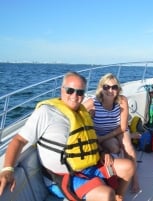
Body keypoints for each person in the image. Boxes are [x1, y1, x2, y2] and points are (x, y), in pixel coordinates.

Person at [0, 72, 134, 201]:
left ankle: (118, 197)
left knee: (128, 167)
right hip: (62, 178)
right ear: (61, 89)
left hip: (89, 166)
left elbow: (88, 140)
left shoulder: (82, 112)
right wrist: (7, 169)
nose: (75, 96)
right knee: (106, 194)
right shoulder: (46, 113)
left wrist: (103, 152)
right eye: (70, 90)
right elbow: (19, 140)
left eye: (80, 92)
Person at [83, 73, 140, 194]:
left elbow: (123, 127)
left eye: (114, 87)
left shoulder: (122, 101)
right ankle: (118, 169)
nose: (110, 90)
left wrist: (103, 138)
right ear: (100, 88)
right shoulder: (92, 103)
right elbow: (76, 114)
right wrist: (88, 116)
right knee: (114, 148)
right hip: (101, 133)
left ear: (118, 89)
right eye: (106, 87)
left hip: (117, 130)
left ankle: (134, 179)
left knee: (128, 147)